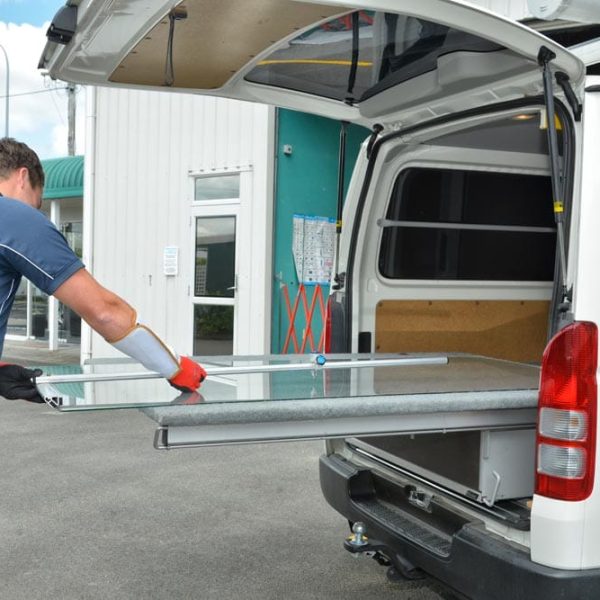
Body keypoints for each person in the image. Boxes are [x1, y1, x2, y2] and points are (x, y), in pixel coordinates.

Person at [0, 137, 206, 403]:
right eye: (37, 201)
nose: (34, 210)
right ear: (23, 176)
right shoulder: (14, 217)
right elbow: (105, 311)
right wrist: (175, 367)